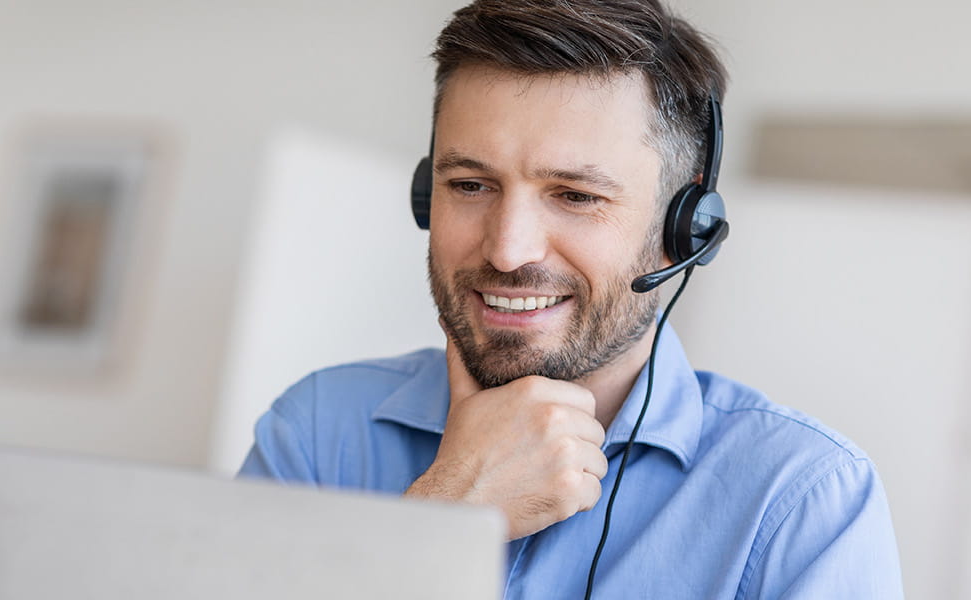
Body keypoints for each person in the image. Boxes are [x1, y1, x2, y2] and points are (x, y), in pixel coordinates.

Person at [238, 0, 904, 598]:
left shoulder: (800, 498)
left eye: (576, 196)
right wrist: (438, 520)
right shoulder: (319, 432)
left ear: (685, 228)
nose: (508, 249)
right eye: (470, 184)